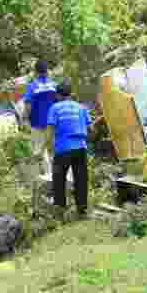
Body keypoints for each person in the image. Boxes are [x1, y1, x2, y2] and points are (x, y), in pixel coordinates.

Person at [46, 82, 93, 217]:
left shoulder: (55, 108)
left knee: (58, 179)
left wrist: (49, 148)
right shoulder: (81, 107)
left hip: (63, 149)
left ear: (58, 95)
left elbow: (50, 131)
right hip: (80, 148)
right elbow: (91, 129)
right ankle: (82, 210)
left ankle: (60, 210)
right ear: (71, 94)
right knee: (81, 179)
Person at [22, 60, 58, 176]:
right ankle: (61, 175)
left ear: (35, 72)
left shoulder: (32, 87)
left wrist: (24, 118)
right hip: (53, 123)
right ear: (47, 72)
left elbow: (28, 106)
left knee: (41, 150)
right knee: (54, 149)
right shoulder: (54, 86)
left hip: (37, 124)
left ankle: (48, 175)